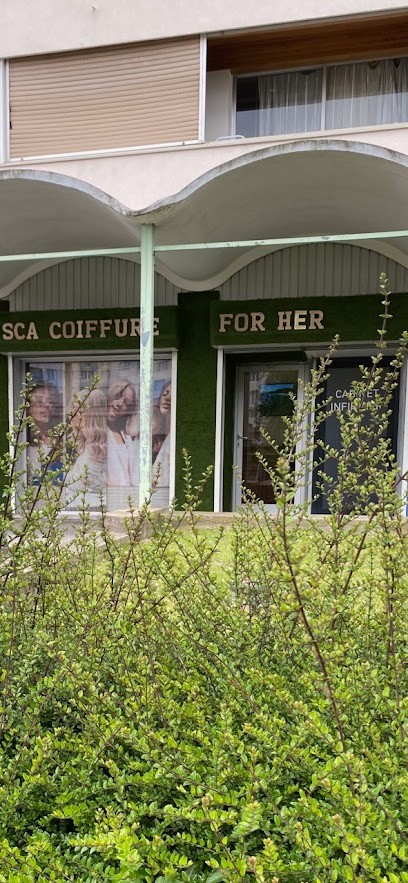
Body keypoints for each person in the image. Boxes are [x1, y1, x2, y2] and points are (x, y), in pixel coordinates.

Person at [65, 388, 107, 508]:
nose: (71, 413)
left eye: (77, 408)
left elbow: (81, 483)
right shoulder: (88, 446)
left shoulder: (97, 451)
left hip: (89, 511)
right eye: (72, 407)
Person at [106, 379, 139, 487]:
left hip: (127, 499)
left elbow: (134, 476)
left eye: (126, 402)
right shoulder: (99, 432)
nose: (119, 404)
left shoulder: (128, 436)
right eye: (117, 396)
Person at [26, 383, 60, 483]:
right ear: (28, 408)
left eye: (50, 401)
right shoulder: (24, 442)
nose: (47, 405)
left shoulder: (57, 439)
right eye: (39, 402)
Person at [153, 380, 171, 488]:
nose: (167, 398)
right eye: (165, 394)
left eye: (173, 395)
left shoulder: (172, 437)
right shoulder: (155, 431)